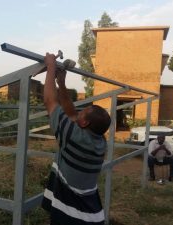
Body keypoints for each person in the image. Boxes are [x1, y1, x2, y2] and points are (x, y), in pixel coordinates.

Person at [40, 53, 111, 225]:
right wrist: (61, 83)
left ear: (85, 123)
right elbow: (71, 113)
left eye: (83, 112)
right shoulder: (100, 142)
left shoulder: (73, 137)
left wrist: (50, 66)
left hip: (72, 216)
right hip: (92, 214)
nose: (78, 112)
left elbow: (50, 101)